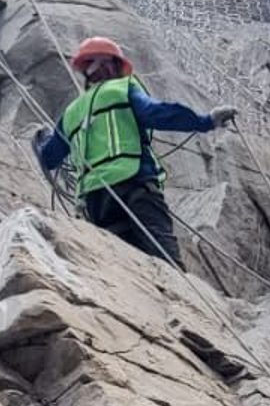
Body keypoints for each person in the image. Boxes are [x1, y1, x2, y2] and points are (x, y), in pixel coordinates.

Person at [32, 36, 232, 268]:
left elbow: (49, 158)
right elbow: (157, 113)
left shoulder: (71, 113)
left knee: (122, 266)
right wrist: (206, 121)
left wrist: (42, 139)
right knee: (164, 258)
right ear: (112, 66)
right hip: (134, 186)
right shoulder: (122, 89)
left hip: (95, 202)